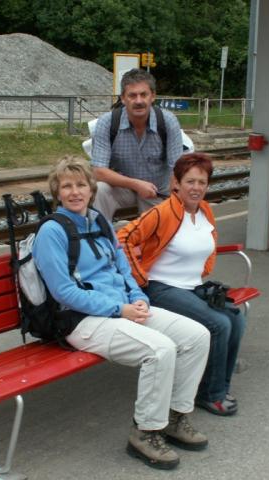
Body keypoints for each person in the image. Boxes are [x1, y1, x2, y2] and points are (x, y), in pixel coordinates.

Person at [33, 156, 210, 470]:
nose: (75, 192)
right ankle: (145, 432)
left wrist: (138, 298)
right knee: (160, 350)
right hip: (81, 320)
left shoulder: (99, 221)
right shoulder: (52, 232)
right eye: (67, 186)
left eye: (81, 185)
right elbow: (64, 292)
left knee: (197, 336)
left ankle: (174, 417)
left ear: (91, 189)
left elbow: (122, 268)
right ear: (57, 192)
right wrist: (119, 308)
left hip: (122, 309)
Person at [118, 153, 246, 416]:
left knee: (236, 318)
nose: (196, 188)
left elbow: (208, 244)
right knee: (218, 324)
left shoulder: (206, 211)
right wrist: (140, 278)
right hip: (162, 287)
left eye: (202, 182)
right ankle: (210, 395)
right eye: (190, 181)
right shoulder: (163, 212)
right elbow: (123, 238)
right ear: (176, 183)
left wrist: (205, 270)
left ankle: (220, 385)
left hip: (191, 287)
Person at [91, 68, 183, 221]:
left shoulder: (167, 121)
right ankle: (101, 238)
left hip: (157, 191)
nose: (139, 101)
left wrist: (174, 202)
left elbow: (178, 169)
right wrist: (136, 184)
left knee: (156, 237)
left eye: (143, 94)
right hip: (123, 188)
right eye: (132, 95)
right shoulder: (107, 123)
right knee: (99, 190)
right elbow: (98, 171)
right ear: (123, 98)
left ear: (153, 96)